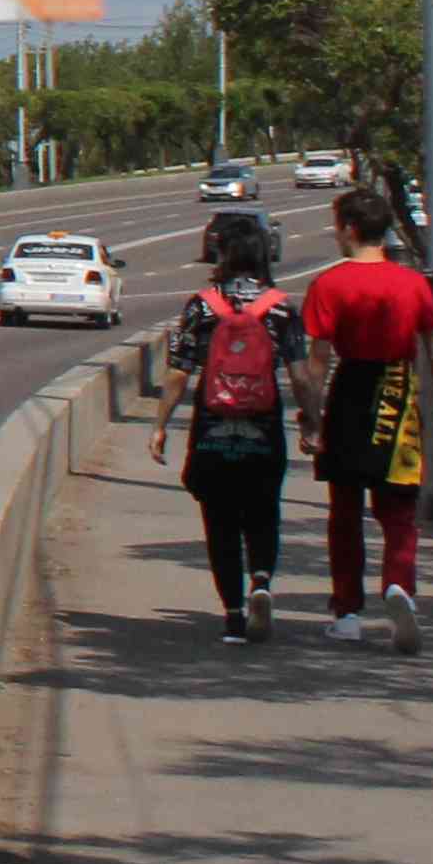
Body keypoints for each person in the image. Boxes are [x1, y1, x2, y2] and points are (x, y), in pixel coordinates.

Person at [151, 207, 304, 644]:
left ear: (221, 253)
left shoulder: (201, 307)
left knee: (218, 520)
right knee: (263, 511)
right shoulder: (281, 310)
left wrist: (160, 426)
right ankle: (260, 581)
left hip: (212, 427)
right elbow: (301, 375)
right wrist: (312, 421)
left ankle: (234, 614)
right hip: (264, 426)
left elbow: (178, 371)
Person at [299, 183, 433, 652]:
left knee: (345, 510)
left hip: (350, 394)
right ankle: (399, 586)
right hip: (399, 395)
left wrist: (312, 418)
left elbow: (318, 360)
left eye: (337, 224)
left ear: (351, 229)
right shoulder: (414, 283)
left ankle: (348, 611)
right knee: (399, 509)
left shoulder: (329, 284)